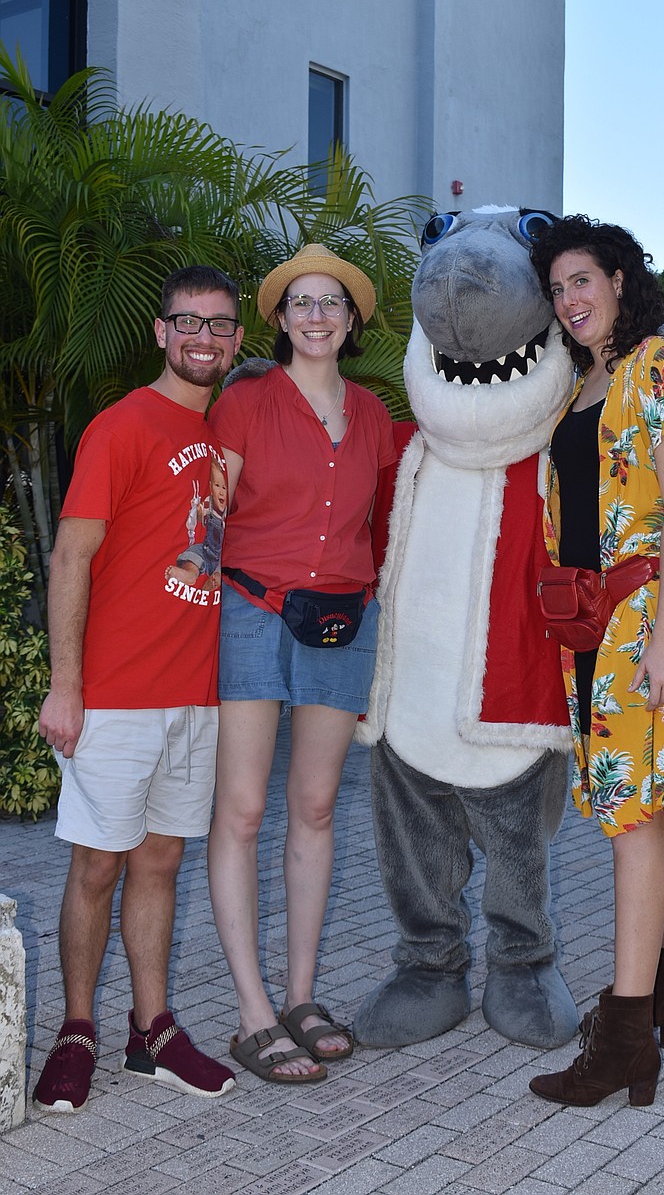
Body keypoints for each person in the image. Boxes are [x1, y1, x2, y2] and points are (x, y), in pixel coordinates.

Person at [33, 266, 244, 1113]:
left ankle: (150, 1032)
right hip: (116, 693)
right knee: (97, 866)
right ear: (161, 332)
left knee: (161, 859)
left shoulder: (226, 428)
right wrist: (66, 686)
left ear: (235, 340)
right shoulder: (121, 427)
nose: (204, 339)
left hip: (195, 695)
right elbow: (70, 557)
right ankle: (76, 1029)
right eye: (188, 323)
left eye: (220, 326)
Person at [527, 216, 664, 1108]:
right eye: (558, 288)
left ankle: (625, 1035)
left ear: (618, 278)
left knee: (633, 814)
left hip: (648, 610)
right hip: (595, 619)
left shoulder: (659, 365)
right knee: (660, 804)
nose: (570, 299)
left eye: (582, 280)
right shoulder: (580, 386)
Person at [207, 243, 395, 1084]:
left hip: (343, 622)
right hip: (251, 612)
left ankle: (301, 996)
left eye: (332, 304)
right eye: (301, 303)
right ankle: (251, 1014)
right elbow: (207, 515)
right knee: (243, 811)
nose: (317, 317)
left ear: (351, 321)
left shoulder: (377, 416)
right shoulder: (245, 403)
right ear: (279, 319)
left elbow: (384, 525)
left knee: (315, 808)